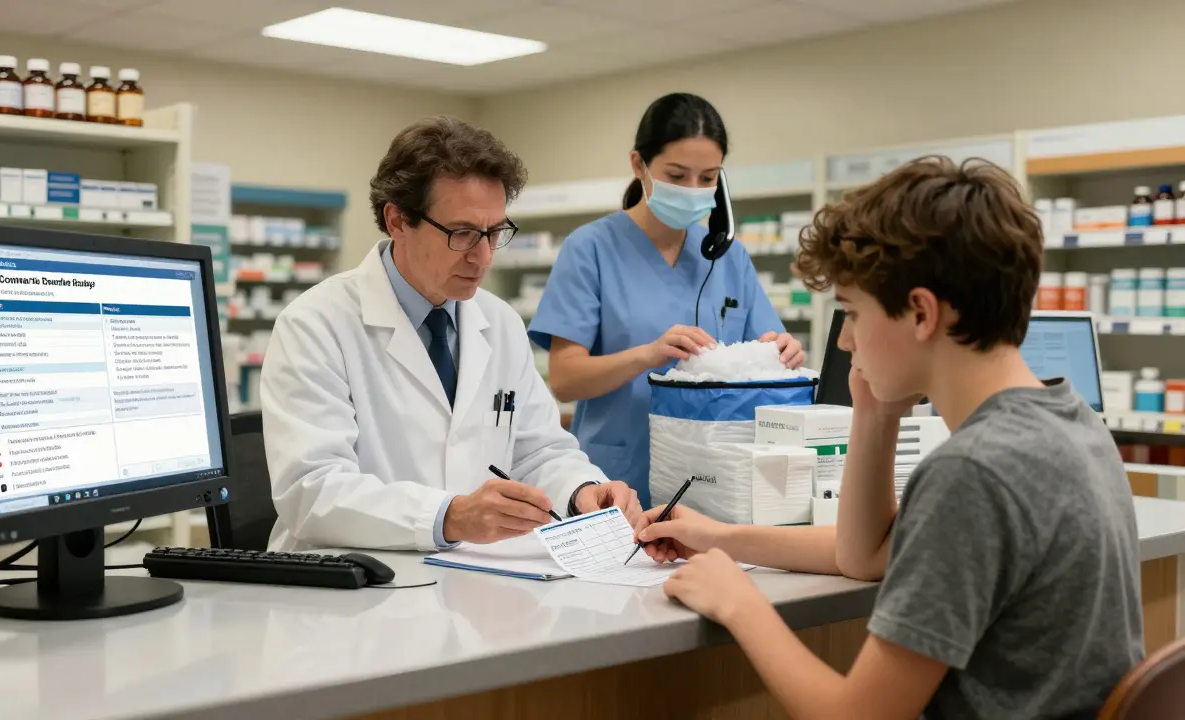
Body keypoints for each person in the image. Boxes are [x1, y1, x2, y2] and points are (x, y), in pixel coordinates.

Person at [635, 156, 1143, 719]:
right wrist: (873, 416)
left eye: (852, 313)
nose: (846, 341)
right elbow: (866, 555)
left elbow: (856, 716)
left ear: (921, 314)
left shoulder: (973, 472)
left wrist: (740, 604)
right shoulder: (1068, 421)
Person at [261, 116, 643, 553]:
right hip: (350, 585)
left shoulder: (498, 322)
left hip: (467, 581)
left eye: (494, 232)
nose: (482, 257)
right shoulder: (315, 323)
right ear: (398, 221)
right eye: (462, 234)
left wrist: (581, 490)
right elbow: (311, 491)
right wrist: (450, 516)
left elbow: (539, 451)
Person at [527, 93, 805, 508]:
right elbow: (565, 379)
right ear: (639, 165)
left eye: (709, 178)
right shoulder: (590, 249)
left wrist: (783, 352)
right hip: (616, 481)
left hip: (716, 483)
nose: (694, 190)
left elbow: (767, 349)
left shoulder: (728, 256)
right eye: (677, 175)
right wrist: (647, 355)